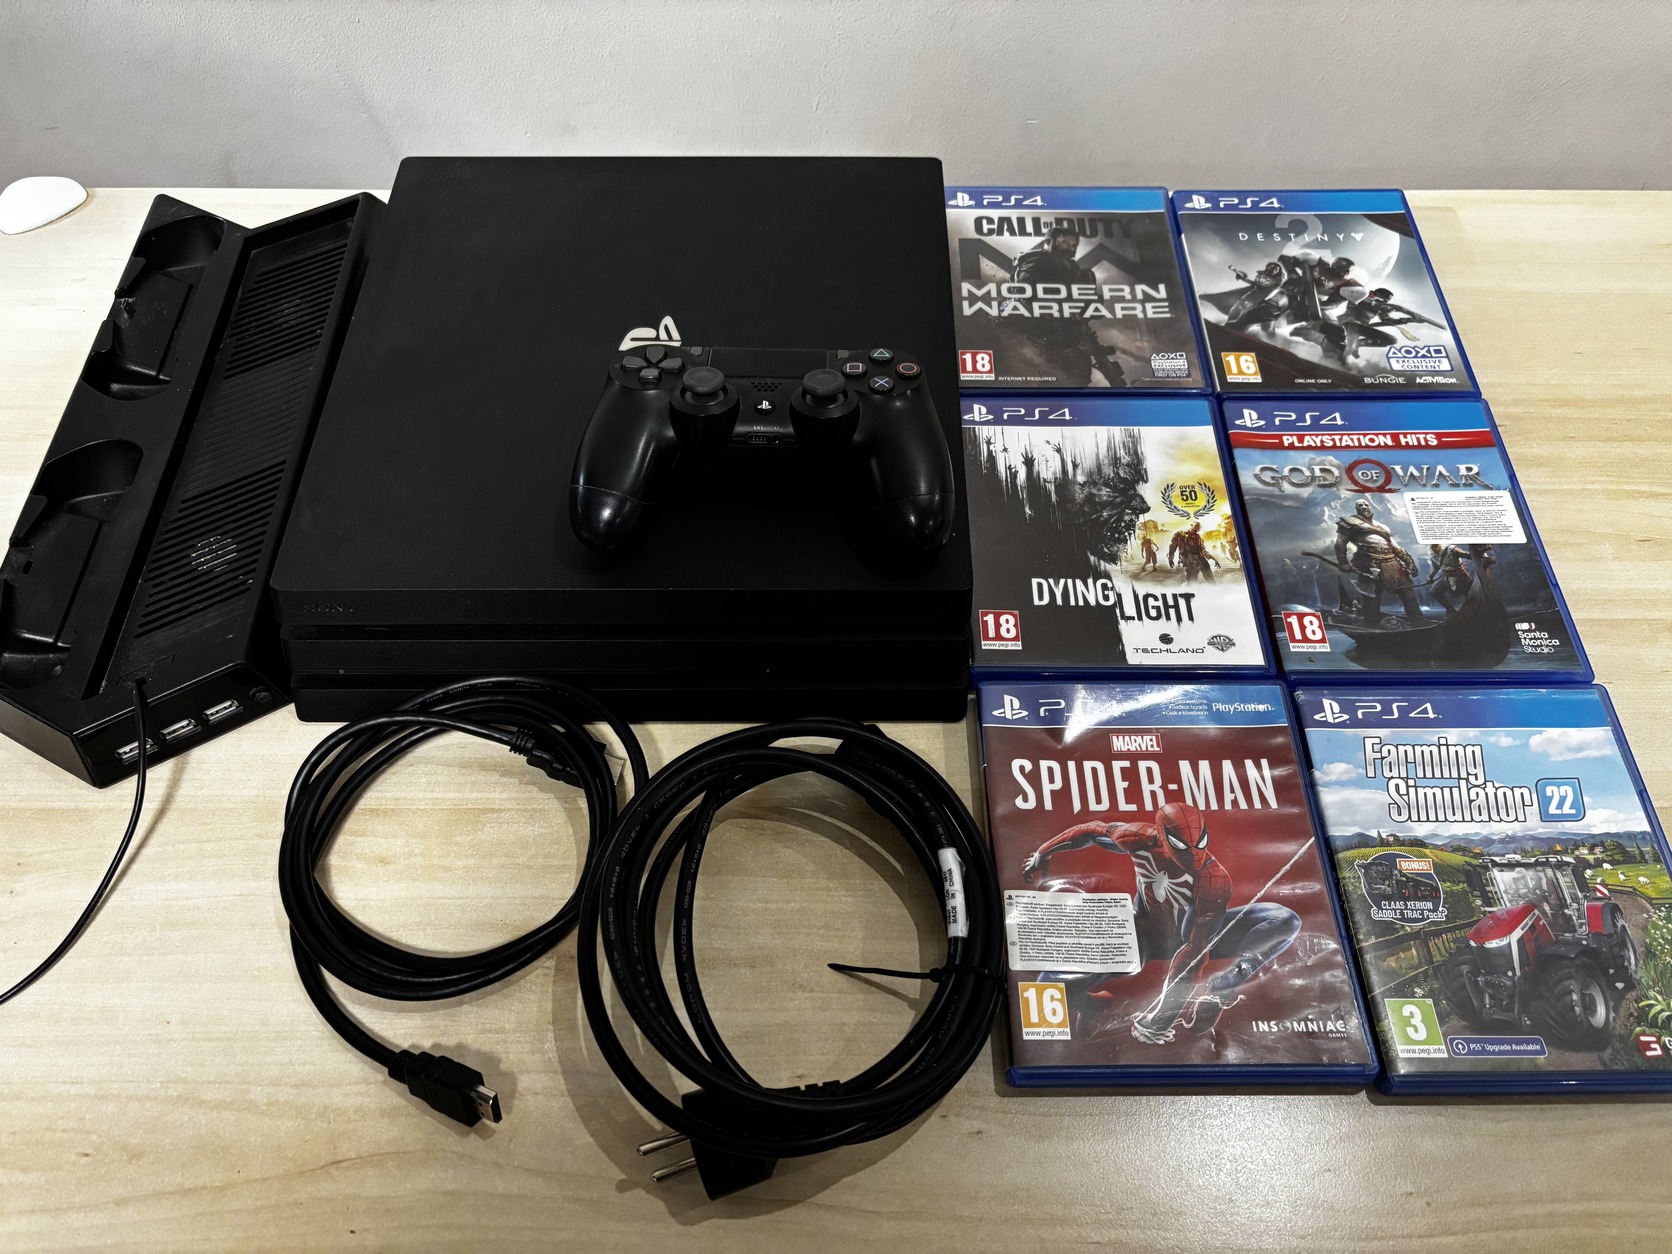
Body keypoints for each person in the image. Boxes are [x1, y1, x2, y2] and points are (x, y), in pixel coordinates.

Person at [1020, 803, 1302, 1042]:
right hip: (1143, 933)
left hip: (1194, 937)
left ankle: (1226, 985)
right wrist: (1042, 854)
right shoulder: (1138, 837)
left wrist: (1163, 1016)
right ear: (1163, 837)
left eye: (1199, 844)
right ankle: (1092, 1004)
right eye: (1182, 846)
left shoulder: (1212, 880)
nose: (1193, 856)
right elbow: (1091, 831)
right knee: (1047, 989)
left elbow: (1195, 951)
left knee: (1284, 919)